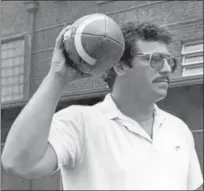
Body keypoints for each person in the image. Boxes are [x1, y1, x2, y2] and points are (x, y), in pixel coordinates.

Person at [2, 22, 203, 190]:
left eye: (170, 61)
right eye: (156, 60)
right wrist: (58, 77)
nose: (167, 69)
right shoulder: (80, 122)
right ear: (121, 65)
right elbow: (18, 163)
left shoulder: (179, 129)